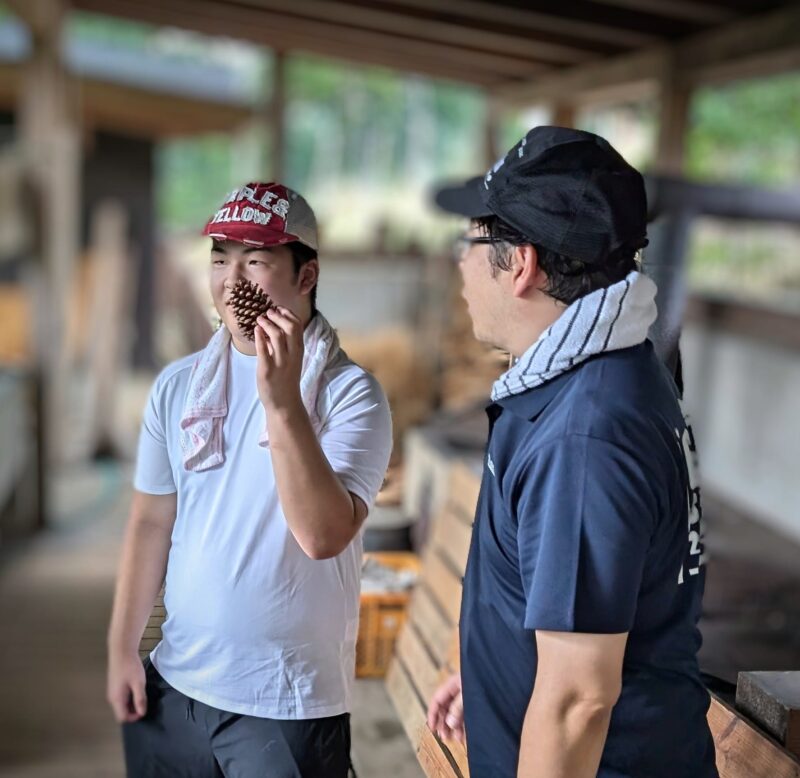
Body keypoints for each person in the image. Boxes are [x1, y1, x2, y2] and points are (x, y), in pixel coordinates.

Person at [426, 127, 716, 777]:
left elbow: (579, 701)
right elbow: (586, 592)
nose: (460, 265)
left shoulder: (586, 434)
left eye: (468, 244)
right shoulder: (602, 368)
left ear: (521, 263)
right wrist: (494, 669)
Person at [107, 182, 393, 777]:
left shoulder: (350, 396)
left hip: (286, 703)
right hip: (176, 685)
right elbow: (150, 521)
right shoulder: (180, 386)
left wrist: (283, 403)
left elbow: (322, 535)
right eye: (219, 258)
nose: (231, 280)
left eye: (255, 260)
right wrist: (122, 650)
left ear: (306, 273)